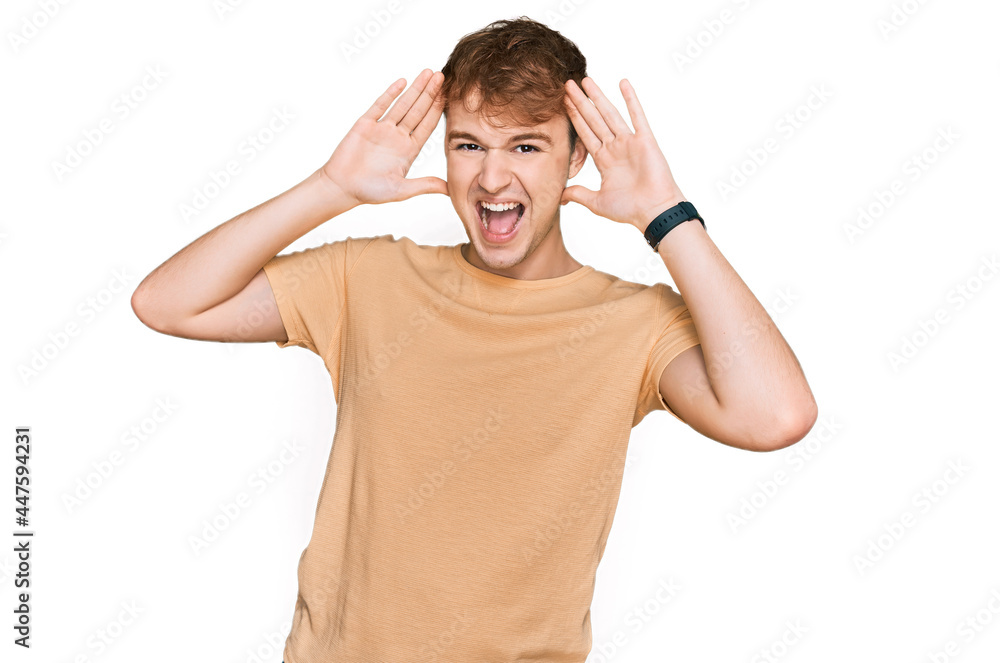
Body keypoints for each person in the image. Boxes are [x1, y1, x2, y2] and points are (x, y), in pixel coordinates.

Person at [131, 16, 817, 663]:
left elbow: (776, 415)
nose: (492, 178)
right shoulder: (367, 277)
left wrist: (666, 218)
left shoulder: (633, 322)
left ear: (576, 156)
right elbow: (166, 302)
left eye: (526, 145)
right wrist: (331, 187)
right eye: (469, 145)